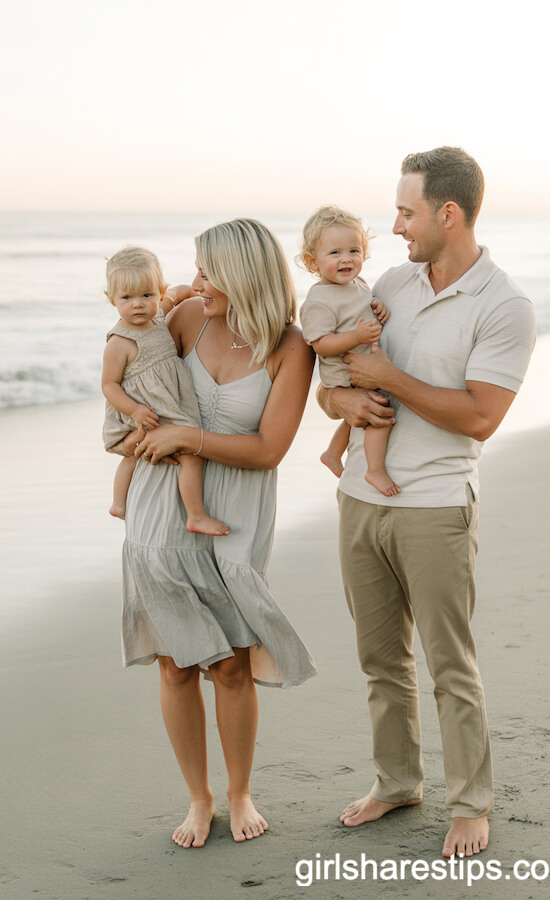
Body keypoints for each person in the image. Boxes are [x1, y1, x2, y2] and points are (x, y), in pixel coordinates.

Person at [318, 147, 536, 858]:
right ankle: (397, 782)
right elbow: (336, 379)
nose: (396, 224)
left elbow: (480, 416)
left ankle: (470, 802)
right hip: (359, 499)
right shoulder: (388, 280)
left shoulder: (505, 305)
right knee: (380, 658)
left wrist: (388, 376)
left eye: (407, 212)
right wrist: (346, 394)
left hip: (437, 508)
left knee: (449, 664)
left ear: (448, 213)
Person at [124, 219, 317, 848]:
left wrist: (188, 436)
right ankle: (199, 800)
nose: (196, 281)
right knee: (178, 665)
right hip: (164, 508)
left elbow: (269, 449)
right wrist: (135, 432)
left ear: (241, 274)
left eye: (208, 272)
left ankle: (238, 792)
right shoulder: (186, 321)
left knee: (232, 665)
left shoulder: (290, 347)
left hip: (236, 515)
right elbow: (127, 365)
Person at [102, 245, 229, 535]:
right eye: (127, 297)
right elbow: (108, 385)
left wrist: (189, 293)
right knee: (185, 456)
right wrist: (134, 411)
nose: (137, 304)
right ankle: (191, 514)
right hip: (144, 410)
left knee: (140, 453)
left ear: (158, 293)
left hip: (164, 406)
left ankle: (124, 505)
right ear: (111, 299)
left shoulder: (158, 316)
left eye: (146, 295)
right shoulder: (119, 342)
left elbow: (176, 294)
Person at [298, 205, 398, 496]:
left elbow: (364, 305)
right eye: (335, 253)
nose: (346, 259)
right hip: (345, 372)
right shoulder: (318, 301)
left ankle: (332, 452)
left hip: (365, 365)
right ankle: (375, 471)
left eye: (354, 251)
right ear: (311, 261)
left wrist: (377, 306)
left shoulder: (359, 284)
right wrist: (355, 335)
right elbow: (321, 344)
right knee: (379, 416)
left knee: (359, 416)